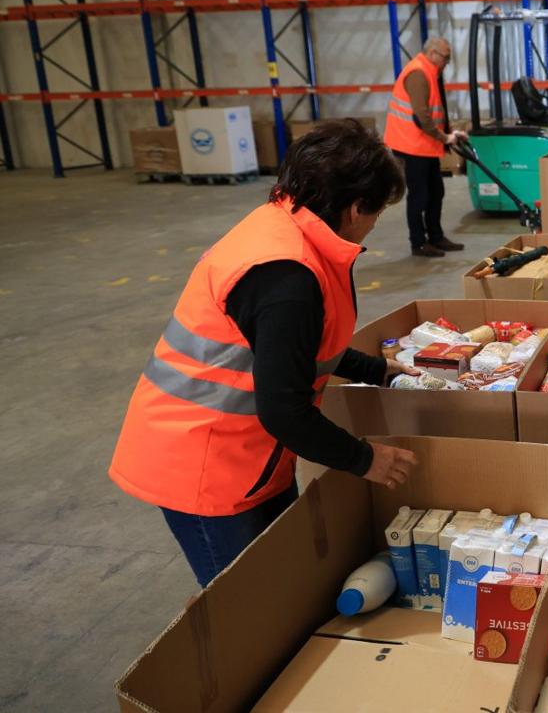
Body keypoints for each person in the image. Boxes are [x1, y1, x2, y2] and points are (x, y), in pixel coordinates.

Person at [109, 120, 421, 588]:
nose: (374, 225)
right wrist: (364, 459)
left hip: (249, 457)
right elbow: (283, 410)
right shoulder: (285, 276)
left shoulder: (291, 224)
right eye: (377, 213)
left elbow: (300, 345)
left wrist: (373, 368)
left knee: (283, 580)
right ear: (356, 208)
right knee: (248, 606)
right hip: (205, 466)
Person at [384, 36, 469, 258]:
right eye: (445, 58)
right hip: (412, 146)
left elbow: (434, 113)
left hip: (425, 145)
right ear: (432, 53)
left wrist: (450, 134)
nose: (447, 63)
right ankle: (418, 243)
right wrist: (444, 138)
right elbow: (421, 116)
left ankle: (436, 236)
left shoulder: (430, 72)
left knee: (436, 192)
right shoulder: (419, 73)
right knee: (419, 196)